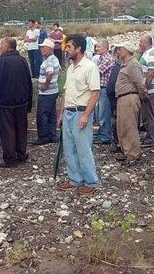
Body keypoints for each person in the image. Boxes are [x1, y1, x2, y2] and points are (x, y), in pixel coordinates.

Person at [57, 34, 101, 195]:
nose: (66, 50)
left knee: (83, 148)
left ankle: (91, 181)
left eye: (69, 47)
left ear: (79, 48)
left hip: (81, 112)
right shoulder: (70, 68)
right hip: (68, 112)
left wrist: (86, 115)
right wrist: (61, 113)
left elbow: (95, 92)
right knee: (69, 148)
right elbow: (66, 92)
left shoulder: (90, 67)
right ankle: (74, 179)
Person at [0, 37, 33, 167]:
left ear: (7, 46)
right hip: (22, 101)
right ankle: (21, 154)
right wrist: (29, 102)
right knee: (21, 128)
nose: (0, 47)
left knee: (8, 130)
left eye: (2, 45)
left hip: (6, 102)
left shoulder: (1, 61)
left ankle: (9, 158)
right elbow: (29, 82)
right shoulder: (22, 60)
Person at [114, 42, 146, 165]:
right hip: (123, 98)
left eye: (120, 49)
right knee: (122, 126)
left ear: (127, 50)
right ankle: (126, 151)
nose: (118, 52)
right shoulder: (126, 64)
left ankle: (133, 154)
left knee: (129, 126)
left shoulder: (133, 64)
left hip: (129, 98)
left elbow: (139, 83)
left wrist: (142, 97)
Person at [35, 38, 60, 145]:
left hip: (47, 92)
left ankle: (44, 137)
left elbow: (49, 72)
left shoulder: (49, 60)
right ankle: (52, 135)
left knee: (42, 114)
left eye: (44, 47)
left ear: (50, 48)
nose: (41, 49)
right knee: (51, 113)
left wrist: (45, 85)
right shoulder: (54, 58)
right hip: (53, 91)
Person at [137, 34, 154, 147]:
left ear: (148, 43)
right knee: (146, 115)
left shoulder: (151, 54)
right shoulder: (146, 54)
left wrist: (144, 88)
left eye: (141, 41)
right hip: (147, 89)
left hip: (149, 90)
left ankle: (151, 138)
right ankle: (149, 136)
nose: (139, 43)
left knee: (149, 115)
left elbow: (150, 73)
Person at [94, 40, 114, 145]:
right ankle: (101, 133)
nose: (96, 49)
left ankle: (106, 136)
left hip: (105, 89)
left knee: (104, 113)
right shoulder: (101, 58)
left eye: (98, 47)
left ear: (105, 48)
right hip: (100, 89)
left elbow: (96, 71)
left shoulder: (107, 59)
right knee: (99, 113)